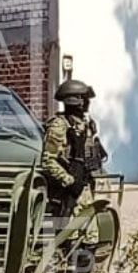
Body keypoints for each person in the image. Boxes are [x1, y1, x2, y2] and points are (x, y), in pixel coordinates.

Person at [40, 79, 108, 216]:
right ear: (76, 101)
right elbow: (48, 161)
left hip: (86, 187)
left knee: (91, 232)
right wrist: (69, 180)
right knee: (66, 230)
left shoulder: (85, 124)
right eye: (85, 99)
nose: (88, 102)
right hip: (66, 192)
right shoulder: (59, 126)